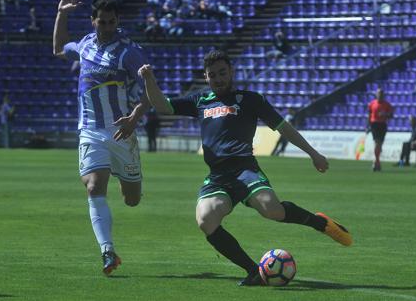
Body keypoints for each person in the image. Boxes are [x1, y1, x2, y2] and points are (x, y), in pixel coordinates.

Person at [138, 50, 352, 287]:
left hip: (245, 170)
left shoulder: (251, 99)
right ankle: (254, 271)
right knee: (205, 220)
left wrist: (314, 154)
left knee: (272, 210)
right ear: (206, 78)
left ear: (231, 72)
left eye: (222, 72)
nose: (218, 78)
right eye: (212, 75)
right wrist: (149, 78)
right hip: (218, 177)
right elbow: (162, 106)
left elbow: (283, 127)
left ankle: (320, 223)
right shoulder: (200, 101)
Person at [53, 0, 151, 275]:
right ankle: (108, 251)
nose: (107, 26)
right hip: (91, 131)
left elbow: (152, 90)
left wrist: (135, 116)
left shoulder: (128, 53)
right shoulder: (83, 46)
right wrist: (61, 14)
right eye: (102, 21)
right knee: (94, 186)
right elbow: (59, 49)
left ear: (117, 21)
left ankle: (128, 178)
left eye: (112, 21)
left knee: (131, 200)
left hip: (122, 132)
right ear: (93, 21)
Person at [367, 88, 393, 171]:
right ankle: (376, 162)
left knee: (380, 144)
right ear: (376, 94)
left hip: (382, 124)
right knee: (377, 142)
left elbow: (391, 115)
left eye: (381, 94)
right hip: (374, 124)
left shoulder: (387, 104)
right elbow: (369, 115)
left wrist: (385, 114)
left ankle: (376, 161)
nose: (380, 95)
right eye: (378, 93)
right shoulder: (372, 104)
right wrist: (367, 126)